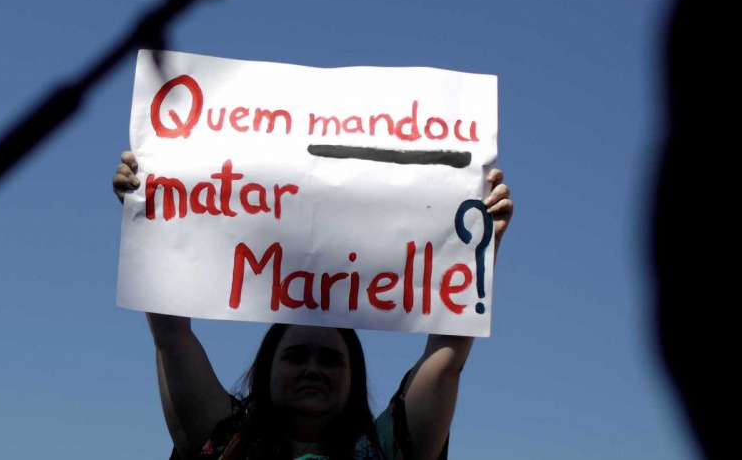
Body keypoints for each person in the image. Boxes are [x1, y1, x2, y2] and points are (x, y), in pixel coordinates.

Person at [113, 151, 513, 460]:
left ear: (354, 377)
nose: (312, 368)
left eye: (331, 360)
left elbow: (446, 358)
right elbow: (172, 336)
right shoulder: (226, 444)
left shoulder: (386, 452)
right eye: (296, 355)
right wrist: (150, 216)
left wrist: (476, 251)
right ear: (266, 370)